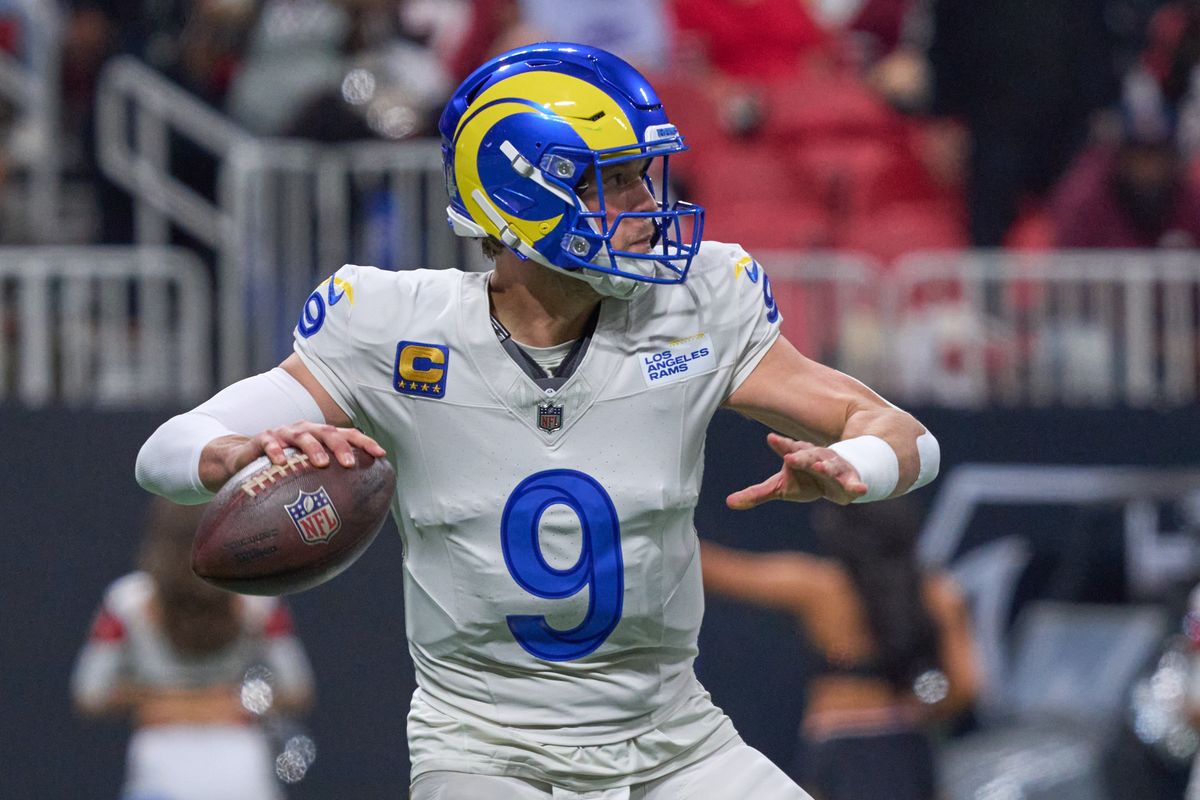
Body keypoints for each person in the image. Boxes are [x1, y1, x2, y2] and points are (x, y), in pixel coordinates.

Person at [134, 42, 940, 799]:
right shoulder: (392, 327)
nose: (648, 206)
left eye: (642, 177)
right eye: (614, 180)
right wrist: (232, 454)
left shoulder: (698, 304)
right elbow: (166, 451)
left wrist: (856, 467)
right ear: (521, 194)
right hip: (487, 751)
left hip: (675, 743)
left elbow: (905, 435)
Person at [699, 500, 978, 800]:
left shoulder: (819, 586)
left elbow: (718, 570)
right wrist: (920, 702)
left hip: (840, 747)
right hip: (907, 749)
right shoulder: (938, 593)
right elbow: (966, 687)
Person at [71, 497, 315, 800]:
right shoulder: (259, 600)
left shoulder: (125, 603)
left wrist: (163, 701)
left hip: (164, 756)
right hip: (236, 760)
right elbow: (296, 688)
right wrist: (232, 699)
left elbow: (91, 694)